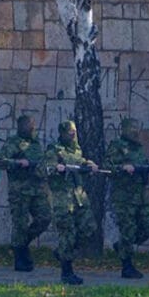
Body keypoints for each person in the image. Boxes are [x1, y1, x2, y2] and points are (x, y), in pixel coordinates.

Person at [0, 114, 52, 272]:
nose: (32, 128)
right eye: (28, 125)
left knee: (45, 218)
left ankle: (22, 243)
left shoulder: (36, 144)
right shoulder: (13, 143)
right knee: (20, 223)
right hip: (20, 191)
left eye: (33, 124)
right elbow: (0, 162)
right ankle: (20, 256)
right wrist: (18, 163)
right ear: (21, 127)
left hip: (37, 189)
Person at [45, 120, 98, 285]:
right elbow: (44, 168)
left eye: (74, 132)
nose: (73, 135)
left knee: (89, 228)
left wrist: (89, 165)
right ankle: (66, 272)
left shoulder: (76, 150)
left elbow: (80, 162)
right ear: (62, 134)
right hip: (63, 199)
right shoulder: (54, 150)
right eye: (69, 132)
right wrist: (56, 168)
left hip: (79, 198)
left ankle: (62, 253)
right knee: (67, 234)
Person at [106, 118, 149, 279]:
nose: (136, 131)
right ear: (125, 130)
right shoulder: (117, 146)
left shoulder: (138, 148)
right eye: (132, 128)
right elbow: (107, 166)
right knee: (127, 230)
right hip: (124, 196)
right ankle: (127, 266)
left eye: (137, 128)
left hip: (139, 195)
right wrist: (122, 168)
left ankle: (121, 246)